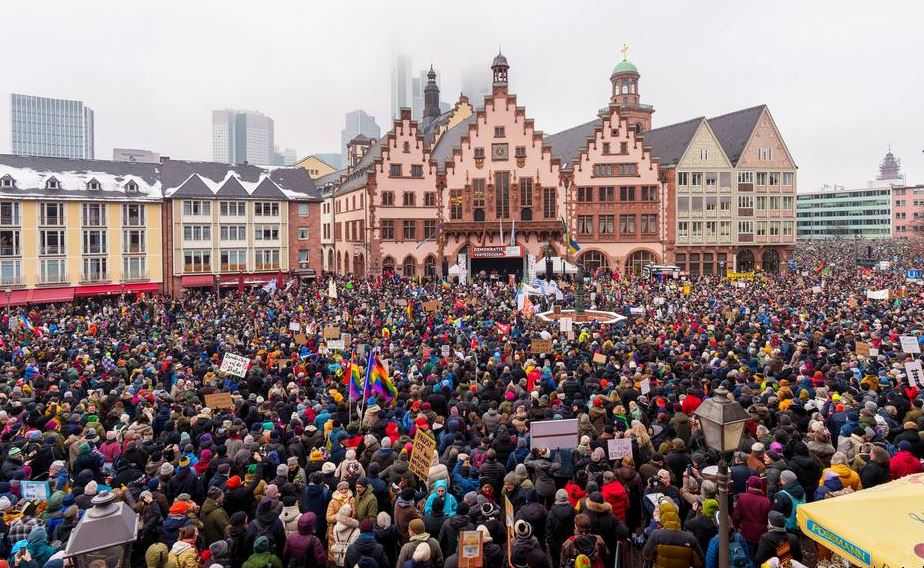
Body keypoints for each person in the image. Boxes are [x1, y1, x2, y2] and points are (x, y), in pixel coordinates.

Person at [641, 499, 704, 568]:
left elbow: (646, 553)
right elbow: (700, 561)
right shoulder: (690, 538)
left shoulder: (656, 535)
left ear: (662, 516)